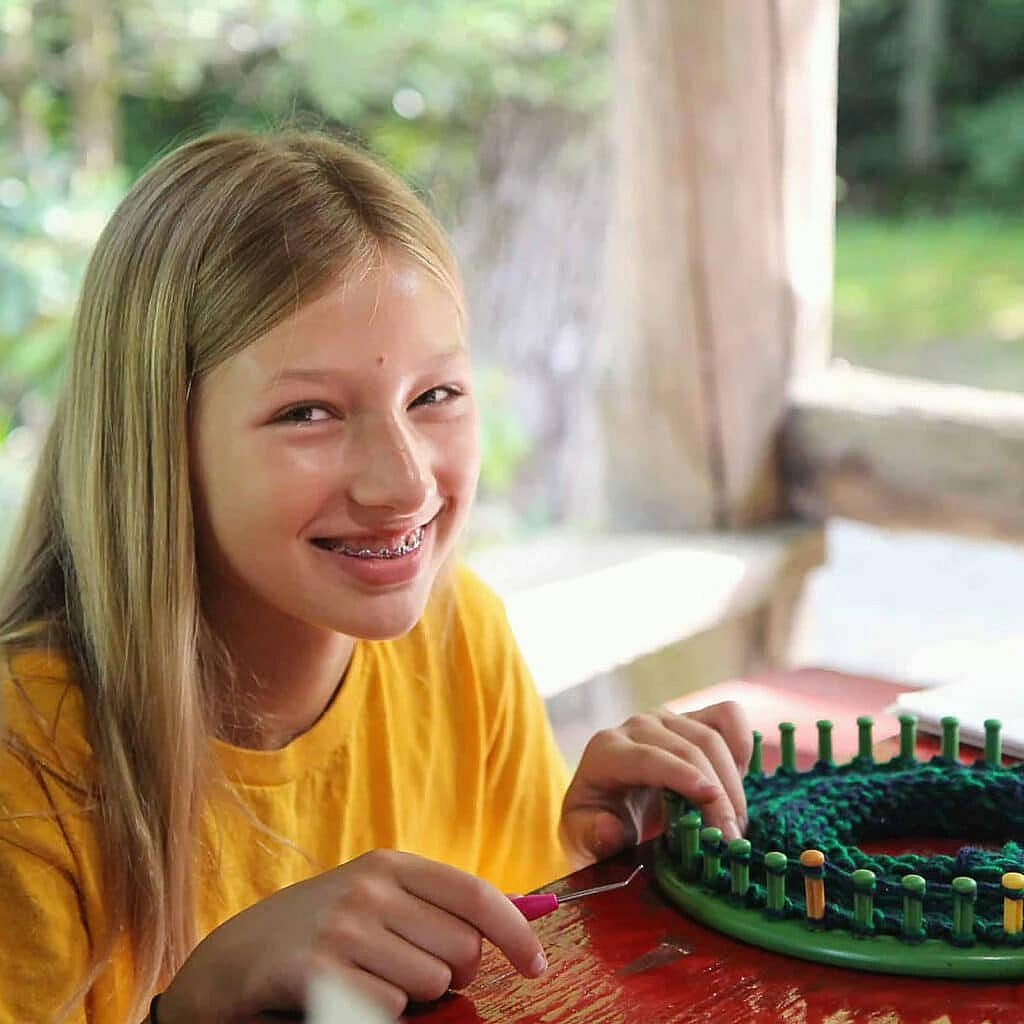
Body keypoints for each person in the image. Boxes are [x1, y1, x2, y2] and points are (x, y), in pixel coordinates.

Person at [0, 128, 751, 1024]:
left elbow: (519, 983)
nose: (404, 485)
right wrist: (198, 1003)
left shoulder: (460, 633)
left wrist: (610, 870)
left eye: (435, 396)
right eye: (307, 413)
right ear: (157, 440)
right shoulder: (25, 763)